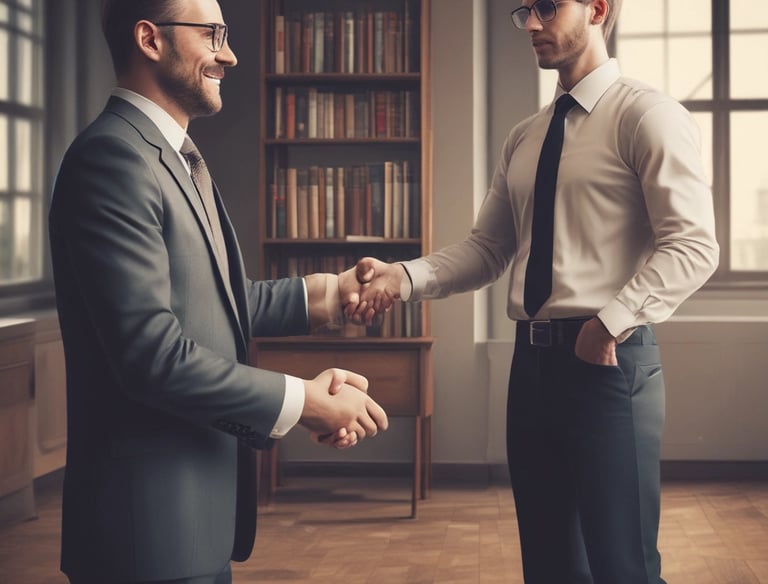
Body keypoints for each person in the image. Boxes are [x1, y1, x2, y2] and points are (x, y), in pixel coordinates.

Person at [349, 0, 719, 582]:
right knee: (548, 564)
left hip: (608, 363)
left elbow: (694, 245)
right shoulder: (525, 136)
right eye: (525, 11)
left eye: (548, 7)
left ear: (598, 9)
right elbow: (488, 249)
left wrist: (608, 323)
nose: (533, 24)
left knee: (624, 566)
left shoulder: (649, 115)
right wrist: (404, 276)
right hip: (532, 365)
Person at [48, 0, 388, 582]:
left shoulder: (174, 158)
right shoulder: (112, 159)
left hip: (193, 529)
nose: (228, 53)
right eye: (212, 34)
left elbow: (218, 302)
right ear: (150, 39)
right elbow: (152, 356)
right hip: (144, 538)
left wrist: (334, 292)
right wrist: (305, 402)